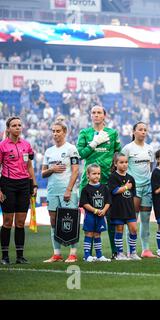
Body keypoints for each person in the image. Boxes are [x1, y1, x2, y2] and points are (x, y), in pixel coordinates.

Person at [77, 105, 121, 258]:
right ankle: (88, 253)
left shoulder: (112, 133)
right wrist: (94, 143)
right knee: (90, 221)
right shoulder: (85, 133)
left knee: (111, 219)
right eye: (93, 113)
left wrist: (115, 170)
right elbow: (80, 154)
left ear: (104, 115)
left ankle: (115, 252)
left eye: (99, 113)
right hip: (88, 184)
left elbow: (117, 152)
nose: (96, 115)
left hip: (108, 182)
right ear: (91, 116)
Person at [0, 117, 38, 265]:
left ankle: (20, 256)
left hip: (24, 185)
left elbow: (29, 166)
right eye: (14, 125)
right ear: (8, 129)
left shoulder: (27, 145)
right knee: (8, 222)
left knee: (21, 222)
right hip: (7, 184)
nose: (17, 127)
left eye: (19, 125)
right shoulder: (2, 146)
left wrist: (33, 185)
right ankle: (4, 256)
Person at [41, 122, 80, 263]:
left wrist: (69, 189)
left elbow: (76, 170)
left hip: (67, 191)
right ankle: (56, 254)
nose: (55, 134)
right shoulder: (48, 151)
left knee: (70, 220)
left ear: (65, 132)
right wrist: (52, 169)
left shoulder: (71, 149)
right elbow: (43, 173)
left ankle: (73, 253)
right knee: (53, 221)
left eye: (58, 131)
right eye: (53, 131)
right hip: (52, 191)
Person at [122, 122, 156, 258]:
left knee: (146, 219)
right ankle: (131, 250)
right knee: (132, 220)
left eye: (145, 130)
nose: (143, 132)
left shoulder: (149, 148)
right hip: (134, 188)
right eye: (140, 129)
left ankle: (146, 249)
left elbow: (151, 166)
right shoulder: (128, 148)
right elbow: (121, 166)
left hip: (147, 187)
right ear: (134, 132)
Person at [108, 153, 140, 261]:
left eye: (126, 162)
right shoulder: (113, 177)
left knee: (134, 229)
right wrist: (126, 187)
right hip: (117, 208)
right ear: (115, 164)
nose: (124, 164)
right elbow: (114, 191)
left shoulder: (131, 178)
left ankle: (132, 252)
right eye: (121, 162)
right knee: (119, 230)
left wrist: (134, 208)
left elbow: (133, 194)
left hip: (129, 209)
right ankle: (120, 253)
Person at [79, 164, 111, 262]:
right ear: (88, 175)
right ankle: (87, 255)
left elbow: (108, 202)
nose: (97, 176)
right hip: (90, 216)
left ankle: (99, 255)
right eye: (94, 173)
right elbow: (84, 204)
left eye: (98, 173)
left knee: (98, 234)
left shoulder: (104, 188)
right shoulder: (85, 189)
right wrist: (96, 210)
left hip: (101, 216)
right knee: (89, 234)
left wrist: (104, 210)